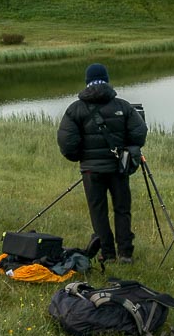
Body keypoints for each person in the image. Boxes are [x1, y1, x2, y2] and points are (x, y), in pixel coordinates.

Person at [57, 63, 148, 264]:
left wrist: (82, 157)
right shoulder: (123, 106)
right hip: (119, 168)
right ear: (106, 80)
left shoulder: (75, 109)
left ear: (87, 82)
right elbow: (139, 134)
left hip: (91, 170)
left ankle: (107, 254)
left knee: (98, 212)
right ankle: (125, 253)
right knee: (122, 210)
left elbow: (67, 142)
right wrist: (128, 149)